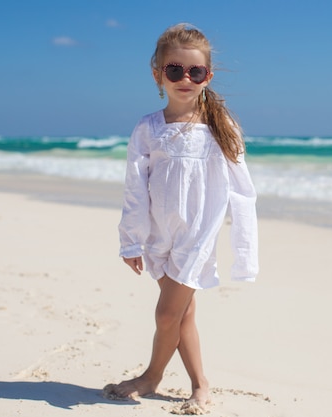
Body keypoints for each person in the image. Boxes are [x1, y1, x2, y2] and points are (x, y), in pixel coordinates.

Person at [103, 23, 259, 414]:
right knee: (183, 313)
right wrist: (132, 239)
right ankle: (199, 384)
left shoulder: (222, 129)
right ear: (158, 74)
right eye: (175, 70)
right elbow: (135, 189)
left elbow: (242, 191)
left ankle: (151, 377)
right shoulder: (148, 128)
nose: (184, 79)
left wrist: (243, 249)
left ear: (208, 75)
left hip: (198, 235)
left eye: (195, 72)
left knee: (166, 313)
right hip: (160, 233)